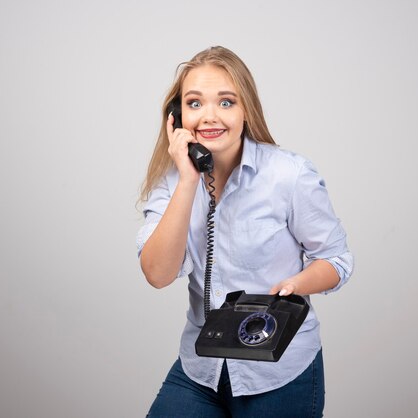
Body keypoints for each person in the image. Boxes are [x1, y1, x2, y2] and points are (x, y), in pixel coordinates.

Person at [136, 46, 353, 418]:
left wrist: (294, 287)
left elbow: (336, 260)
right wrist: (188, 180)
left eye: (226, 102)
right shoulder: (171, 184)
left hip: (279, 370)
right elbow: (157, 274)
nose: (209, 116)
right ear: (176, 117)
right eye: (194, 103)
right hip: (201, 369)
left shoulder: (290, 175)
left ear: (246, 110)